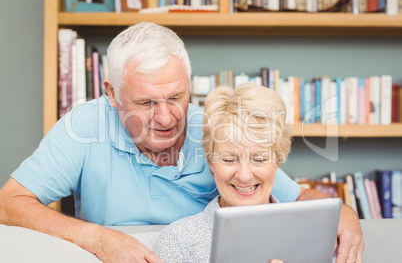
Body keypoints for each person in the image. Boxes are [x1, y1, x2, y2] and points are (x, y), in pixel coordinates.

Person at [0, 22, 363, 263]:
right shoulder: (84, 125)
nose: (166, 117)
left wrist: (342, 213)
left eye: (177, 96)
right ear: (111, 92)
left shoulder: (214, 131)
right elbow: (8, 204)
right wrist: (99, 239)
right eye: (145, 103)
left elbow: (291, 196)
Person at [154, 84, 338, 263]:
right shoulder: (177, 242)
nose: (243, 176)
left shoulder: (314, 236)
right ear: (211, 162)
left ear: (278, 160)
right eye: (229, 159)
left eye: (258, 159)